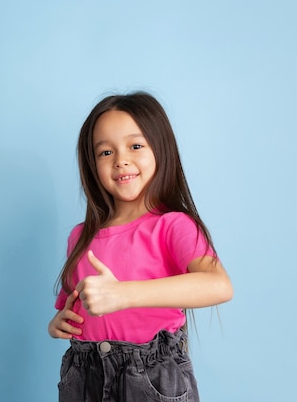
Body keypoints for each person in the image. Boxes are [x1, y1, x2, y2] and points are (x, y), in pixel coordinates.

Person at [48, 92, 233, 402]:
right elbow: (74, 303)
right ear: (92, 164)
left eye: (135, 146)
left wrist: (124, 294)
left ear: (160, 149)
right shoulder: (80, 237)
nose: (121, 160)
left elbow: (219, 285)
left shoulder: (173, 225)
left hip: (149, 378)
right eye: (105, 152)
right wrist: (59, 324)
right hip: (84, 376)